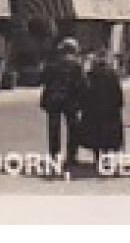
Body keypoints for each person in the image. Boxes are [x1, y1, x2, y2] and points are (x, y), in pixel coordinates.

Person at [40, 38, 88, 171]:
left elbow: (43, 79)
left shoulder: (52, 64)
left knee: (54, 129)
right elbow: (83, 84)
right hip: (70, 100)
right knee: (73, 129)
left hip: (53, 99)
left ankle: (54, 155)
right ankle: (71, 157)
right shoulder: (76, 65)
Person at [80, 51, 126, 163]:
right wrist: (118, 104)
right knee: (107, 133)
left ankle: (97, 156)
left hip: (93, 109)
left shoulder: (90, 75)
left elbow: (85, 92)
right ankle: (105, 154)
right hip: (109, 109)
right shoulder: (112, 74)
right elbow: (117, 92)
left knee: (94, 132)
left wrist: (83, 106)